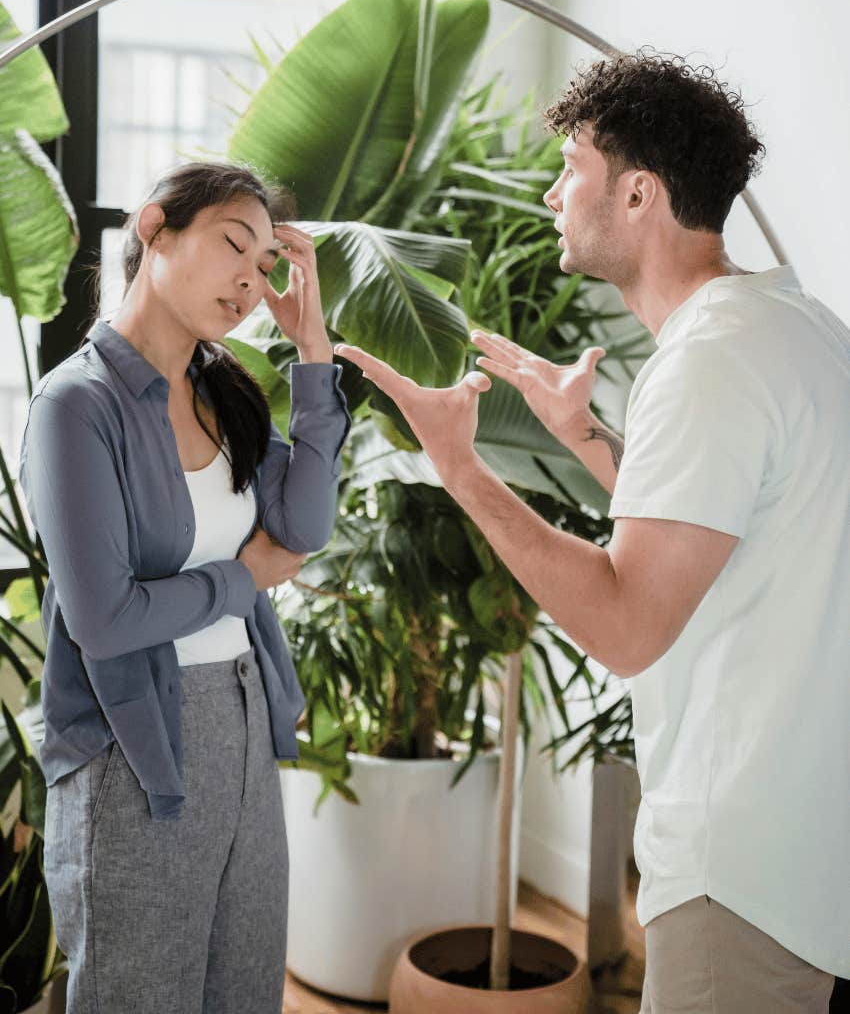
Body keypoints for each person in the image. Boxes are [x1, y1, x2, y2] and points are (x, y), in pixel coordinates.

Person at [333, 51, 850, 1013]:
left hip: (737, 868)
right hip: (806, 844)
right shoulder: (796, 328)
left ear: (640, 194)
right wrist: (587, 436)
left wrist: (460, 467)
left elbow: (624, 625)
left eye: (572, 165)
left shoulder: (711, 365)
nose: (552, 192)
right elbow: (725, 534)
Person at [18, 161, 351, 1014]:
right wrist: (242, 580)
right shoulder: (74, 405)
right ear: (154, 230)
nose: (250, 280)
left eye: (267, 266)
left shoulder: (224, 392)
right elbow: (106, 618)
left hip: (244, 724)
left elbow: (305, 528)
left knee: (241, 991)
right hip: (133, 747)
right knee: (139, 994)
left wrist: (314, 358)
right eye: (234, 246)